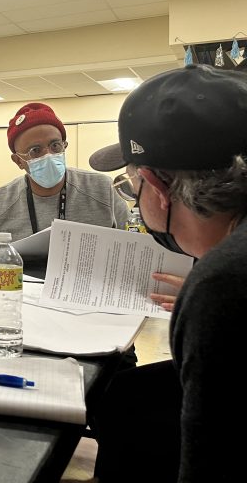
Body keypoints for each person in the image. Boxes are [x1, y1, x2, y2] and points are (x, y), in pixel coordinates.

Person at [89, 64, 247, 482]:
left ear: (157, 188)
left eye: (130, 187)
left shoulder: (223, 283)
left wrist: (202, 300)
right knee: (128, 395)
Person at [0, 102, 129, 257]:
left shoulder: (102, 189)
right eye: (35, 150)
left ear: (64, 146)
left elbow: (134, 243)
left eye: (55, 146)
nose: (48, 155)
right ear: (18, 161)